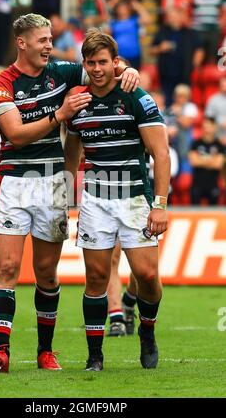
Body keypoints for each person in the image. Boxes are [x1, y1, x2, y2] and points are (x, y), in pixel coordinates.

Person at [0, 13, 140, 373]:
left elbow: (103, 70)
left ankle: (45, 351)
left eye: (51, 39)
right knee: (7, 266)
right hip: (13, 181)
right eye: (42, 40)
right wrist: (59, 115)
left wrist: (126, 68)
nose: (49, 45)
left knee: (46, 273)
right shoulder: (0, 84)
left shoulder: (63, 72)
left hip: (53, 181)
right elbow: (17, 133)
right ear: (22, 43)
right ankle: (2, 351)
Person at [65, 28, 170, 371]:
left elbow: (161, 153)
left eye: (103, 62)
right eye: (91, 62)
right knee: (95, 277)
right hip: (95, 201)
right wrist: (68, 198)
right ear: (84, 64)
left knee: (147, 274)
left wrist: (160, 204)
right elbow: (72, 150)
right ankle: (95, 356)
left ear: (115, 63)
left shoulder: (135, 96)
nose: (97, 69)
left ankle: (148, 331)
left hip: (135, 200)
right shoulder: (77, 101)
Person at [188, 116, 225, 205]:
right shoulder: (196, 143)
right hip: (197, 184)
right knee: (194, 211)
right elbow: (193, 162)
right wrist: (212, 159)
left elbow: (218, 164)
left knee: (213, 212)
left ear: (214, 127)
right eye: (205, 126)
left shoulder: (219, 145)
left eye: (209, 126)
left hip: (213, 184)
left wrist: (201, 159)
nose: (207, 128)